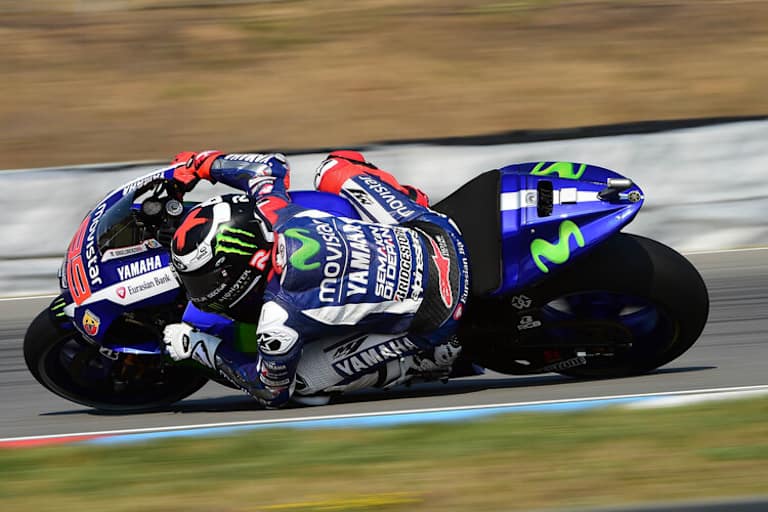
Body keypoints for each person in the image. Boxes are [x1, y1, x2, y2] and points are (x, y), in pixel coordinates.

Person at [162, 150, 469, 407]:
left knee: (305, 386)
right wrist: (199, 165)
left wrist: (200, 348)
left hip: (439, 310)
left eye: (204, 280)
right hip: (436, 232)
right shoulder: (275, 212)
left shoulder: (277, 319)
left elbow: (272, 391)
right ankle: (411, 198)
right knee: (334, 167)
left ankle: (423, 359)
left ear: (244, 267)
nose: (198, 291)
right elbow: (269, 166)